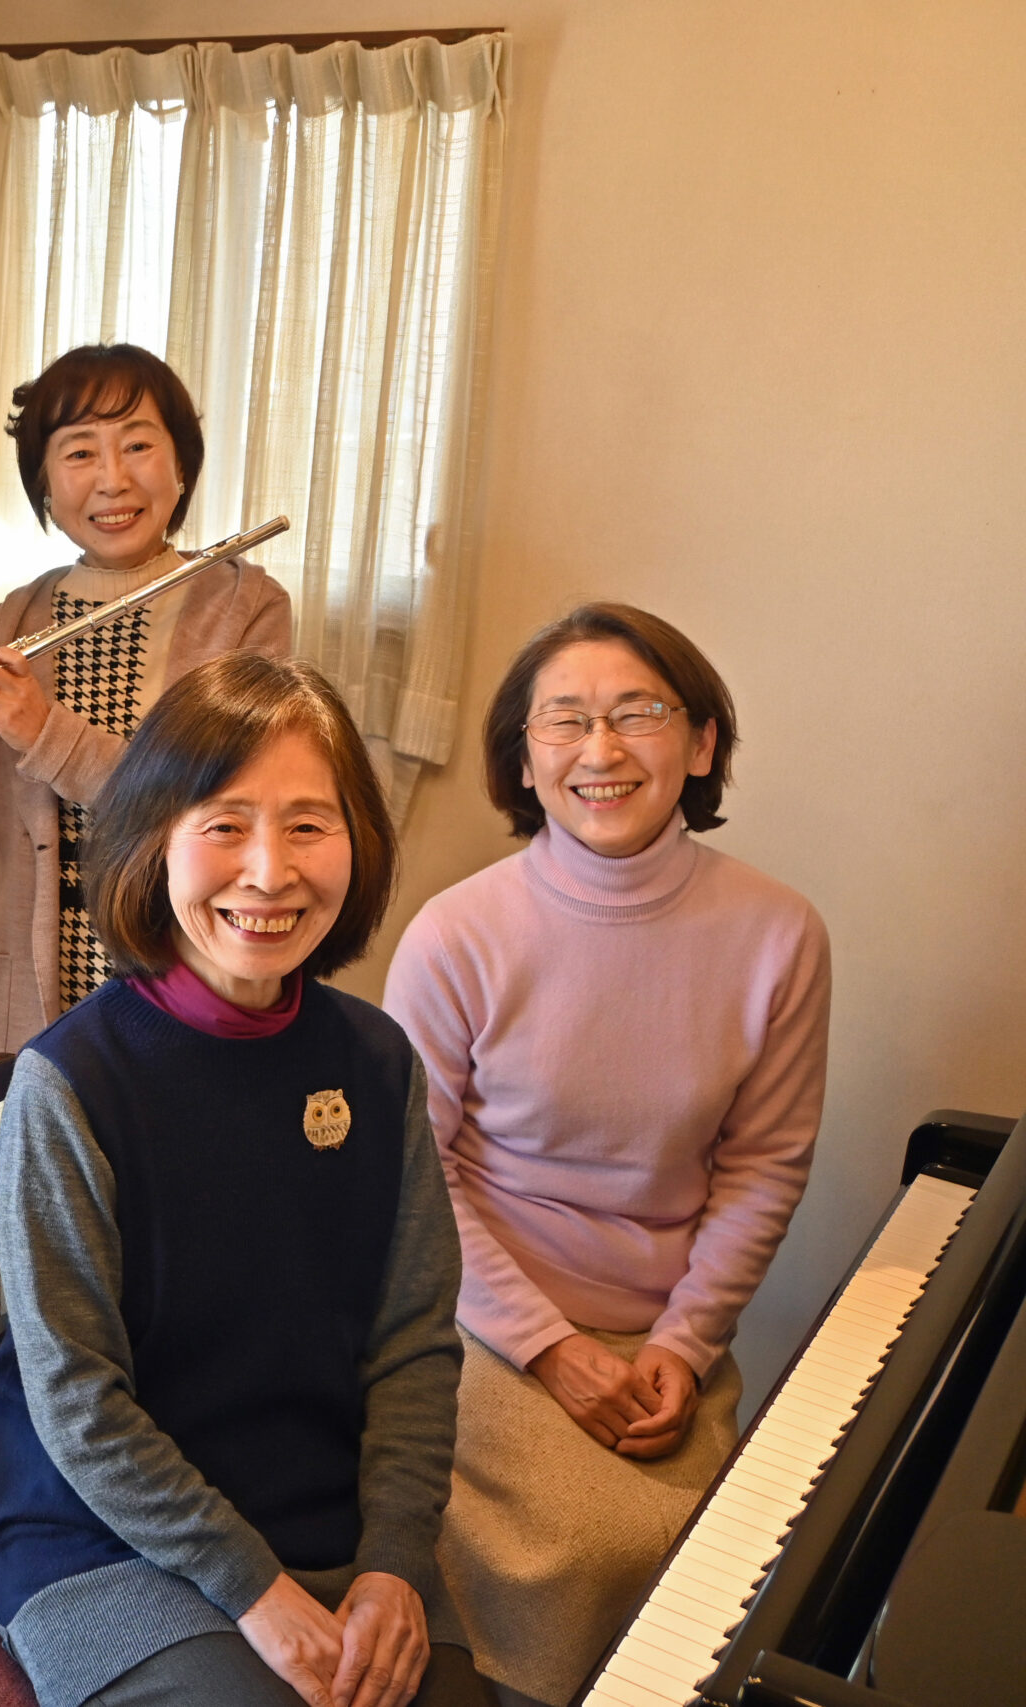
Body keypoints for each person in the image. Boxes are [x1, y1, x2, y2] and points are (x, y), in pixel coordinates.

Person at [0, 651, 490, 1707]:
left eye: (309, 824)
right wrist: (250, 1588)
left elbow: (413, 1339)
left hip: (320, 1505)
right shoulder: (69, 1083)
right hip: (107, 1538)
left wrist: (395, 1557)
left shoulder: (376, 1061)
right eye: (223, 824)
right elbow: (78, 1405)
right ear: (152, 841)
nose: (269, 871)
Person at [382, 604, 828, 1707]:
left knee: (730, 1564)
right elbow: (411, 1181)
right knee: (584, 1547)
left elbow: (763, 1166)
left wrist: (684, 1343)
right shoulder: (455, 931)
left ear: (702, 744)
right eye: (565, 722)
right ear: (523, 761)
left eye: (637, 715)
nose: (601, 750)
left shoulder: (779, 934)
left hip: (658, 1335)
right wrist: (546, 1346)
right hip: (476, 1323)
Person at [0, 343, 292, 1058]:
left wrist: (44, 730)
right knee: (34, 1171)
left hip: (184, 978)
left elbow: (219, 811)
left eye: (138, 444)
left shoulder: (244, 610)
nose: (113, 479)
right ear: (44, 483)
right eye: (79, 453)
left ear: (181, 466)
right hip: (27, 995)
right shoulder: (5, 625)